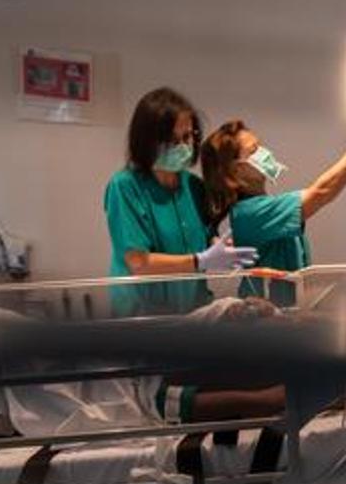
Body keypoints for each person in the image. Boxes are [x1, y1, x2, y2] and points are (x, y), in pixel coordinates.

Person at [199, 110, 346, 306]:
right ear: (235, 170)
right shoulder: (249, 213)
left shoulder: (261, 207)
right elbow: (321, 192)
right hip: (264, 317)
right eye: (254, 150)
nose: (265, 153)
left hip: (284, 312)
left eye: (261, 146)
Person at [103, 87, 257, 317]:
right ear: (146, 142)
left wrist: (219, 247)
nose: (183, 147)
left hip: (191, 309)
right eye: (171, 141)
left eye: (187, 137)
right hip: (141, 316)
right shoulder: (125, 186)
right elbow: (138, 263)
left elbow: (204, 236)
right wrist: (200, 260)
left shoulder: (193, 186)